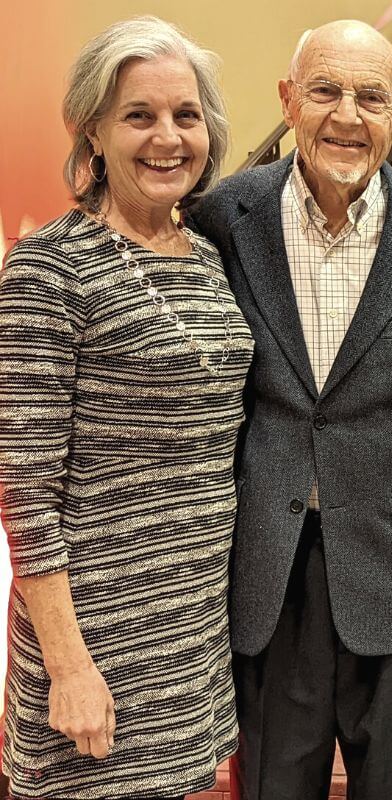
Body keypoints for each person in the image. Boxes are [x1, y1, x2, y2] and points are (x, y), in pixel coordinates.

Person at [185, 19, 392, 800]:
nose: (347, 116)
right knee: (275, 785)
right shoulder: (223, 218)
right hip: (269, 560)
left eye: (371, 97)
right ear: (289, 100)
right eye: (325, 90)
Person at [0, 16, 247, 800]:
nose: (167, 137)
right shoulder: (49, 270)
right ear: (94, 133)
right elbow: (26, 491)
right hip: (95, 633)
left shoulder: (207, 255)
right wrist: (69, 665)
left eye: (185, 115)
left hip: (189, 630)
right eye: (138, 115)